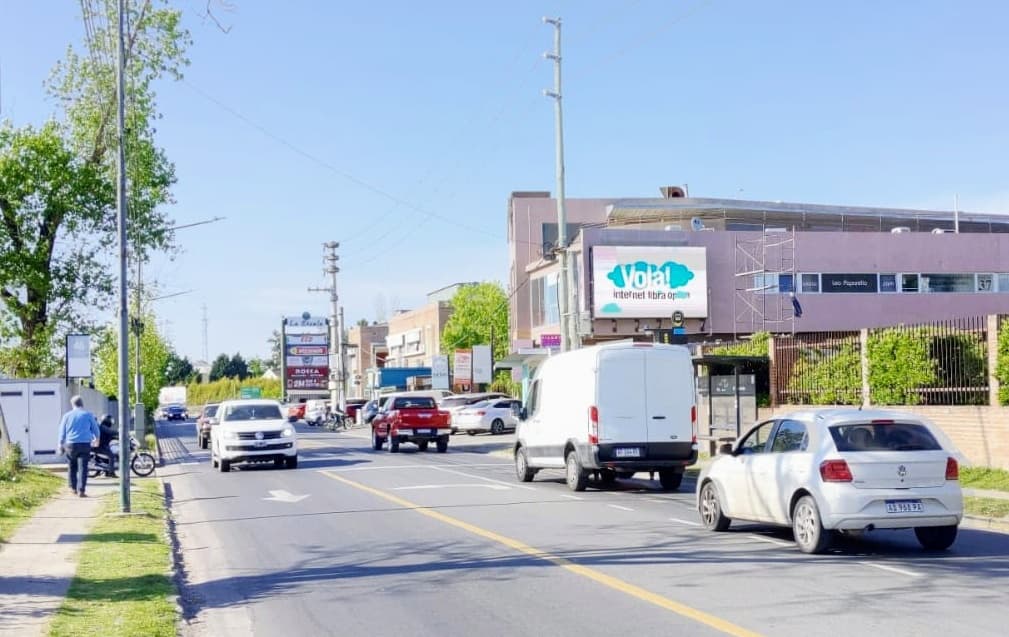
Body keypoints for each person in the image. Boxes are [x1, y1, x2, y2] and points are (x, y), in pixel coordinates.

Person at [57, 395, 100, 497]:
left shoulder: (67, 416)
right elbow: (96, 429)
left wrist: (60, 443)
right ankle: (81, 490)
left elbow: (62, 431)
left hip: (70, 444)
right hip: (85, 444)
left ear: (72, 404)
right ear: (82, 404)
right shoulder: (88, 415)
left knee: (72, 467)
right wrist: (96, 440)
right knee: (83, 467)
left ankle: (72, 488)